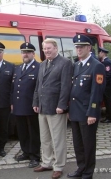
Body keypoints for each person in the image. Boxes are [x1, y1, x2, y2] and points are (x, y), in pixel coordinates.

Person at [32, 38, 73, 179]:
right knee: (45, 139)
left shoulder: (65, 63)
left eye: (49, 48)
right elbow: (39, 85)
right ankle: (47, 162)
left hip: (56, 108)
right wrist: (35, 102)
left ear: (56, 48)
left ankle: (59, 166)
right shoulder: (43, 64)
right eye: (44, 49)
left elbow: (66, 86)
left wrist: (62, 105)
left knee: (58, 139)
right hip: (42, 107)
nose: (47, 51)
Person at [67, 34, 106, 179]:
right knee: (78, 144)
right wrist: (69, 109)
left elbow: (97, 92)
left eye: (81, 47)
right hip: (75, 111)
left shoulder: (97, 66)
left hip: (86, 112)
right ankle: (81, 168)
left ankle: (88, 173)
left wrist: (92, 113)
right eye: (76, 47)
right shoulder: (77, 64)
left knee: (88, 145)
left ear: (89, 48)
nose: (78, 50)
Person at [11, 42, 40, 168]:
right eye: (23, 52)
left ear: (33, 54)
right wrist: (12, 102)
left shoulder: (39, 68)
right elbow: (13, 87)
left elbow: (38, 88)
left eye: (28, 52)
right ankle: (26, 152)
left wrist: (36, 103)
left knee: (33, 132)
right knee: (22, 132)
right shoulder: (18, 68)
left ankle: (35, 156)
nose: (25, 54)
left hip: (31, 106)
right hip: (18, 106)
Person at [98, 47, 111, 123]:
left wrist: (103, 83)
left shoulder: (107, 62)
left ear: (102, 53)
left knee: (108, 101)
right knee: (106, 100)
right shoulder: (104, 61)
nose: (99, 54)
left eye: (99, 53)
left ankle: (109, 118)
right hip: (106, 84)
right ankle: (108, 117)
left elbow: (108, 74)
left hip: (107, 84)